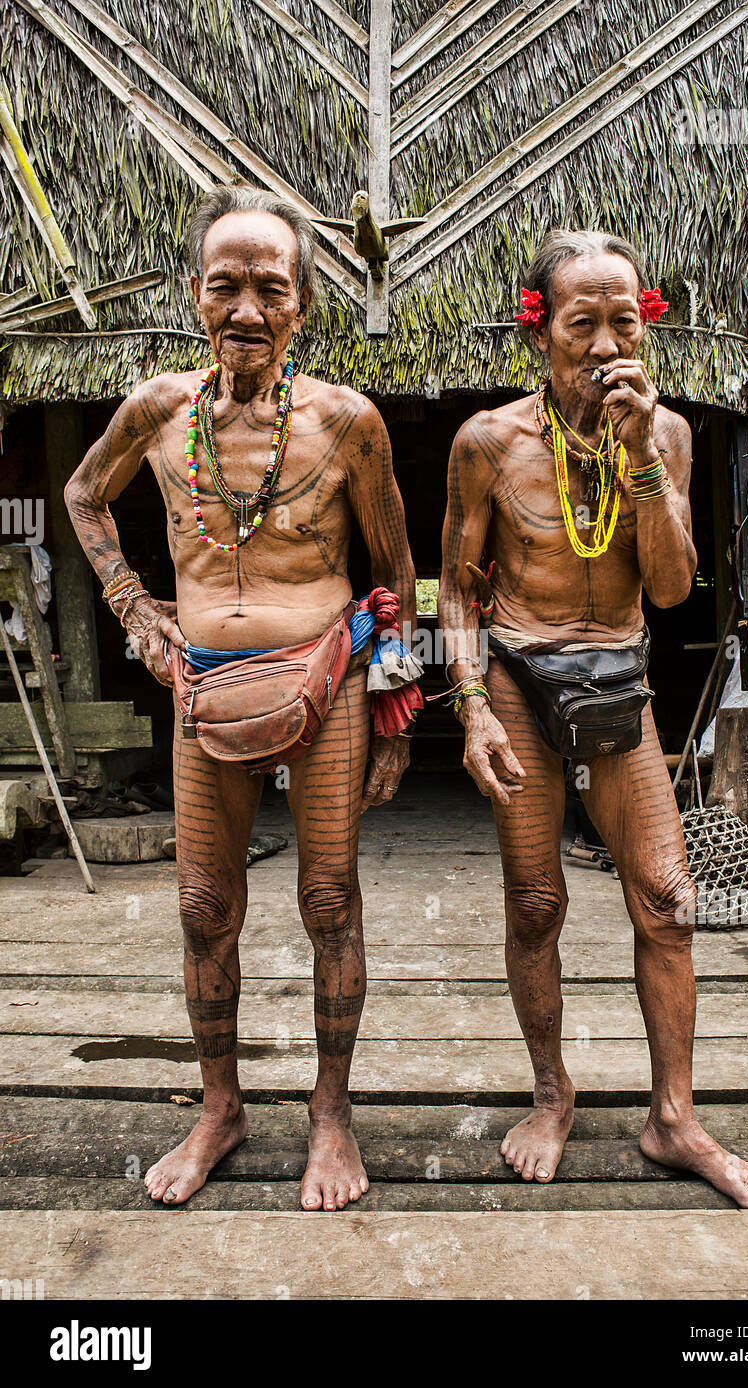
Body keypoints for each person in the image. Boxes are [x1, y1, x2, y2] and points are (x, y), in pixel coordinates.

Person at [65, 188, 419, 1211]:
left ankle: (331, 1113)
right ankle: (220, 1106)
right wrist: (136, 607)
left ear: (304, 303)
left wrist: (400, 720)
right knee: (202, 906)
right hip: (203, 688)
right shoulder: (159, 412)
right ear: (195, 295)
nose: (247, 308)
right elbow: (85, 494)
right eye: (227, 285)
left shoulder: (348, 423)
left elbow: (397, 574)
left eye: (272, 286)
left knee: (328, 899)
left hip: (327, 681)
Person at [438, 229, 748, 1208]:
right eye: (579, 323)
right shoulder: (488, 443)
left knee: (667, 899)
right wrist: (468, 711)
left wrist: (641, 461)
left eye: (621, 321)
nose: (602, 345)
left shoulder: (666, 435)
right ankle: (552, 1092)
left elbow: (672, 591)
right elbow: (454, 590)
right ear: (538, 334)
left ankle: (674, 1117)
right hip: (520, 681)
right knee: (536, 904)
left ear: (647, 324)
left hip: (622, 681)